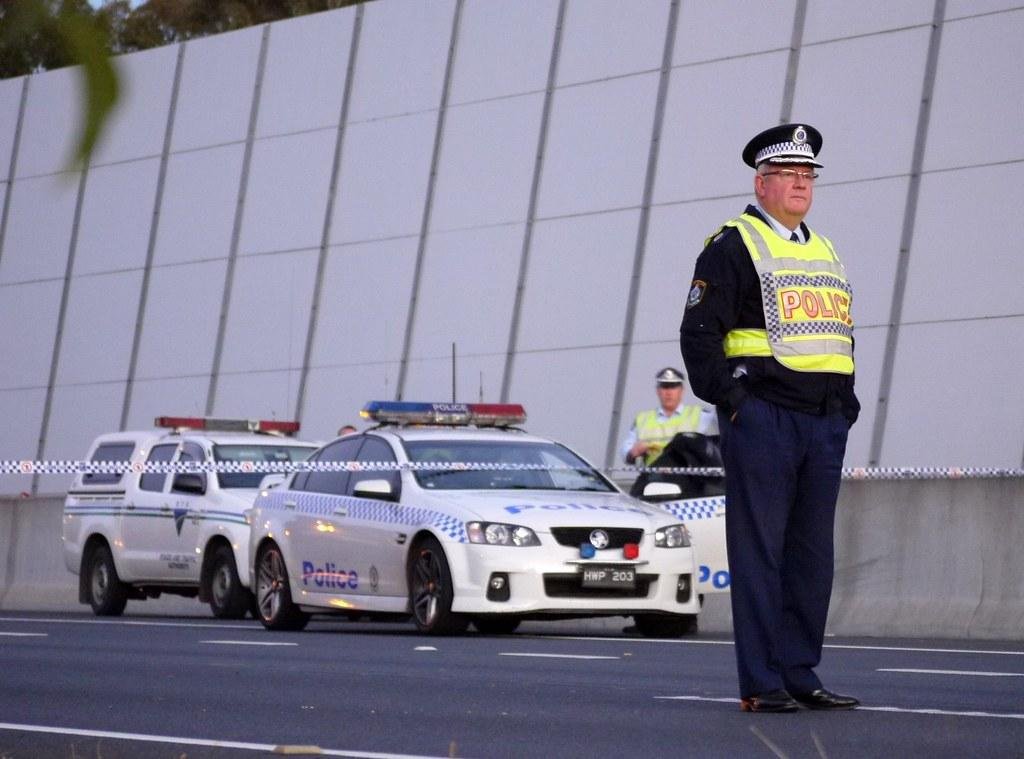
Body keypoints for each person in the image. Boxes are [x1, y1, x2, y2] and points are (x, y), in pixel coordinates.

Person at [680, 123, 860, 713]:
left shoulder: (825, 248)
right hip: (765, 420)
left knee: (812, 557)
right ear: (762, 184)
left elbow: (838, 334)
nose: (801, 184)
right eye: (788, 175)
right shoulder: (732, 246)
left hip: (823, 422)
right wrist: (736, 406)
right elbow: (700, 336)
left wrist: (845, 406)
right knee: (761, 555)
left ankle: (799, 672)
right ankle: (761, 682)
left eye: (808, 175)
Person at [619, 367, 711, 466]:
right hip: (653, 476)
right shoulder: (643, 419)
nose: (668, 392)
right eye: (665, 387)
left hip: (688, 477)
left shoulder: (700, 415)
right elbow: (626, 449)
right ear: (658, 391)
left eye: (673, 387)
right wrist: (633, 452)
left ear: (682, 390)